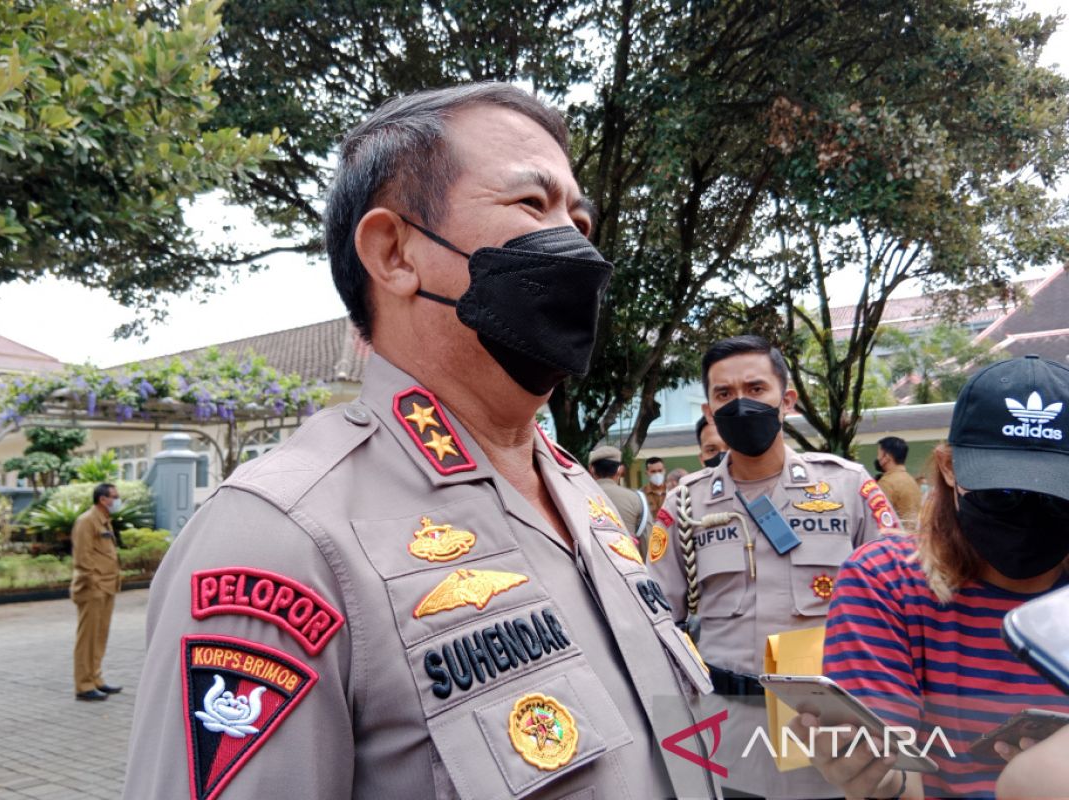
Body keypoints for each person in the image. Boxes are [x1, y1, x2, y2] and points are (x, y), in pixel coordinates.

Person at [123, 83, 721, 800]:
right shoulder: (284, 536)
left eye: (579, 220)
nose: (576, 248)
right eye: (532, 205)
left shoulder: (583, 498)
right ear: (394, 253)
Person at [794, 355, 1069, 799]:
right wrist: (883, 780)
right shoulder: (884, 583)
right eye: (1002, 492)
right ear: (948, 467)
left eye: (1058, 496)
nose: (1028, 511)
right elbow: (897, 776)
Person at [649, 334, 900, 798]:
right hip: (728, 735)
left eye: (755, 389)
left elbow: (900, 603)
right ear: (708, 411)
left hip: (828, 735)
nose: (740, 404)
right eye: (724, 395)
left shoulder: (847, 488)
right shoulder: (685, 504)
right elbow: (657, 620)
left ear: (786, 400)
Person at [71, 482, 123, 701]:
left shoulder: (104, 521)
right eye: (115, 496)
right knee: (88, 639)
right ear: (103, 499)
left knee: (100, 636)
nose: (117, 500)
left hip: (107, 587)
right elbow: (83, 558)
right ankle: (83, 685)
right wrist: (94, 584)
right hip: (93, 588)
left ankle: (96, 678)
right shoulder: (86, 521)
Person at [588, 444, 645, 537]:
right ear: (619, 470)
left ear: (592, 469)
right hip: (627, 550)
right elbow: (647, 539)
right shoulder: (636, 498)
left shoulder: (579, 497)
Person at [875, 435, 922, 531]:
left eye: (879, 454)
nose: (877, 458)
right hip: (914, 539)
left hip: (896, 541)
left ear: (886, 457)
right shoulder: (912, 481)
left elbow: (879, 518)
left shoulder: (886, 483)